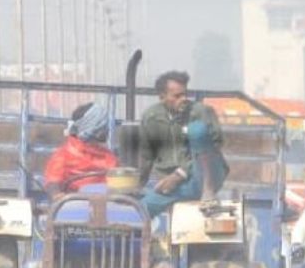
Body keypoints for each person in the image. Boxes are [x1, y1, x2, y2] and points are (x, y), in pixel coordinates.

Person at [137, 71, 227, 216]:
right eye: (177, 96)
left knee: (197, 130)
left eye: (185, 94)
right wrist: (138, 185)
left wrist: (180, 174)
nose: (183, 99)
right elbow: (146, 155)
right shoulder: (151, 117)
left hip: (204, 175)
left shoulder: (201, 112)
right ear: (162, 96)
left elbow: (215, 145)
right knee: (139, 212)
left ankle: (208, 192)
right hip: (175, 186)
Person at [43, 102, 117, 196]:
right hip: (72, 205)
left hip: (106, 205)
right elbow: (52, 182)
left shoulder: (108, 157)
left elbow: (118, 184)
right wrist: (57, 195)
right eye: (102, 126)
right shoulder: (64, 155)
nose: (106, 130)